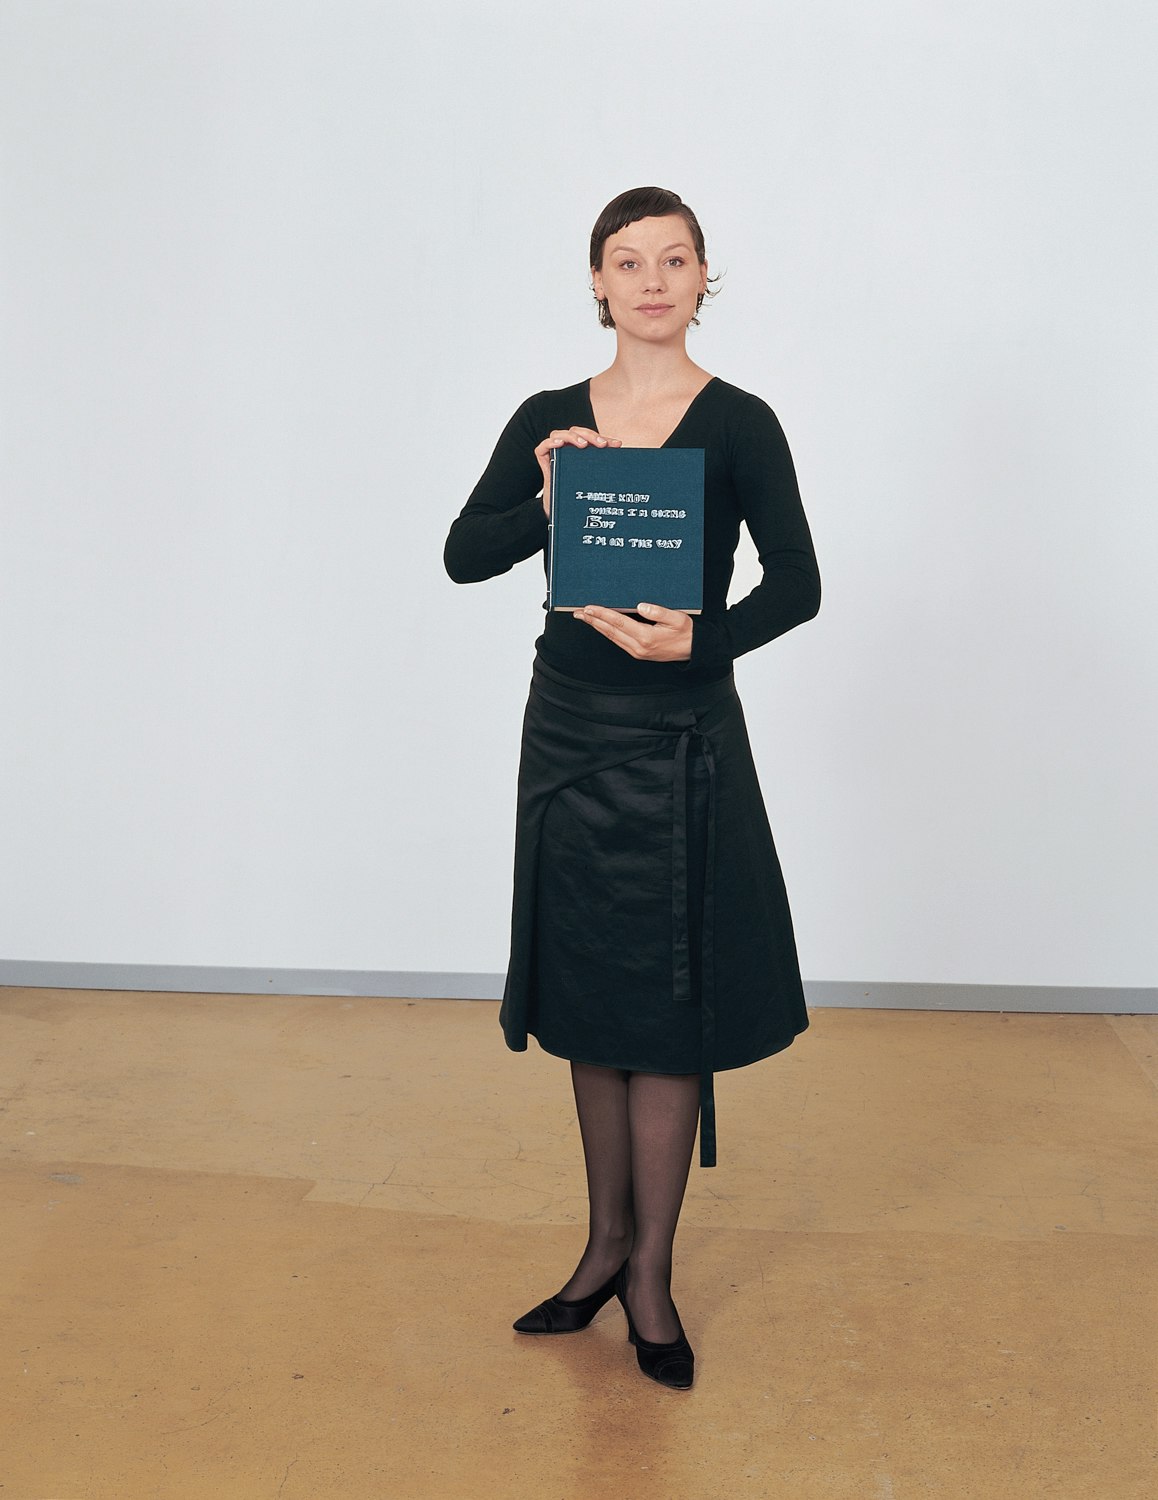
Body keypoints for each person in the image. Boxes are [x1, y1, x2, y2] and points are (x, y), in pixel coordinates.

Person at [443, 186, 820, 1390]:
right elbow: (462, 555)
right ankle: (602, 1249)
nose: (652, 280)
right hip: (568, 734)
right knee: (592, 992)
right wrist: (546, 496)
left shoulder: (741, 423)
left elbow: (798, 582)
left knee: (666, 1000)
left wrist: (704, 639)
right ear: (597, 284)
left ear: (705, 278)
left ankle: (650, 1275)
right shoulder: (549, 420)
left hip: (682, 738)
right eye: (627, 261)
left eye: (674, 259)